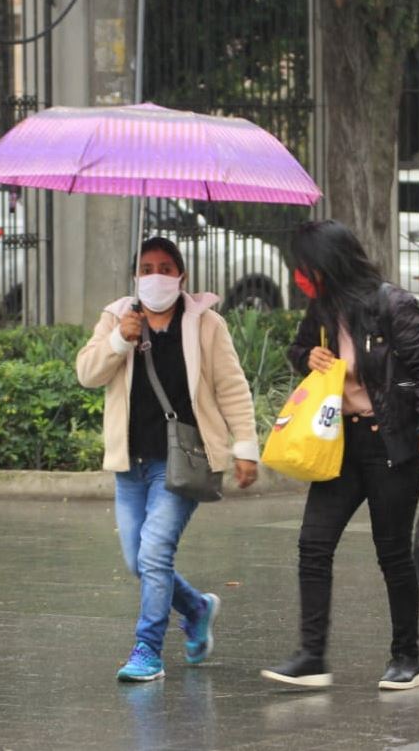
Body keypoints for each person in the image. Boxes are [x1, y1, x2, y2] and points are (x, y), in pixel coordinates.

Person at [260, 220, 419, 691]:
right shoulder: (323, 308)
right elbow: (300, 348)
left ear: (328, 263)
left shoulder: (393, 304)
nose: (299, 276)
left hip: (390, 444)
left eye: (305, 266)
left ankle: (406, 658)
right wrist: (307, 357)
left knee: (392, 553)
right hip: (340, 443)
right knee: (313, 544)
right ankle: (311, 656)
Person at [76, 236, 260, 681]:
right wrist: (120, 340)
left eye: (165, 268)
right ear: (135, 276)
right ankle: (196, 608)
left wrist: (245, 447)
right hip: (130, 465)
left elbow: (232, 388)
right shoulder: (118, 317)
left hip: (181, 463)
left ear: (181, 276)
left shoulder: (206, 324)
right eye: (146, 269)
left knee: (155, 552)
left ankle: (148, 649)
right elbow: (87, 374)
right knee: (137, 561)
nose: (155, 276)